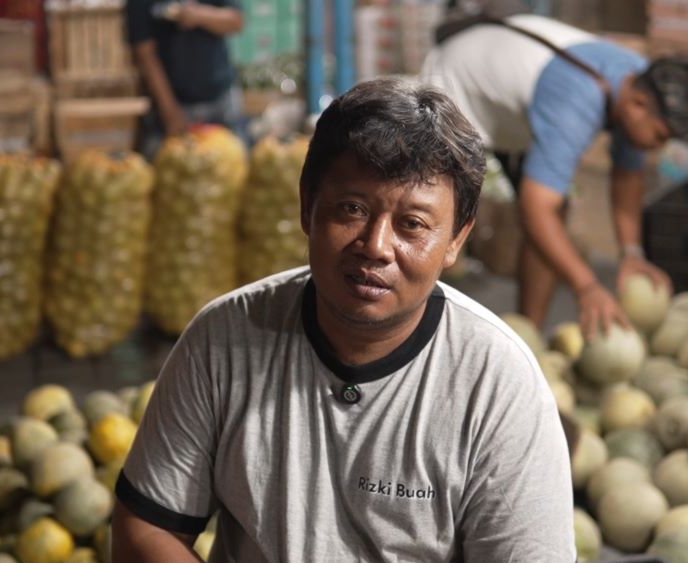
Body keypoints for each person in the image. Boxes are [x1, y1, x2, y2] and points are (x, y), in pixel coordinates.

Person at [112, 78, 575, 561]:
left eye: (412, 224)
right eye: (352, 209)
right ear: (308, 205)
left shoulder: (498, 384)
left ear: (457, 239)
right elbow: (146, 525)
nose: (375, 246)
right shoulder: (222, 340)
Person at [421, 13, 688, 338]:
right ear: (639, 104)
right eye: (661, 137)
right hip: (457, 84)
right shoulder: (576, 98)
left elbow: (628, 176)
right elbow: (536, 209)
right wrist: (587, 286)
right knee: (433, 213)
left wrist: (632, 254)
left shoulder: (638, 86)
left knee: (553, 214)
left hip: (517, 107)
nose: (659, 148)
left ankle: (527, 337)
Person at [125, 0, 244, 159]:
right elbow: (144, 54)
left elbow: (236, 21)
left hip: (221, 103)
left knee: (233, 169)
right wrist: (170, 111)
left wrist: (201, 15)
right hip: (170, 107)